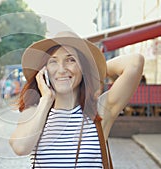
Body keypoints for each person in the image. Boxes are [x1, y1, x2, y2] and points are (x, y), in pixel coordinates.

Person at [9, 31, 144, 168]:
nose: (61, 70)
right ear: (45, 70)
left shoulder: (99, 111)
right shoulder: (34, 112)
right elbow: (20, 148)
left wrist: (91, 71)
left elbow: (134, 63)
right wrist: (46, 100)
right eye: (53, 61)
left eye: (71, 60)